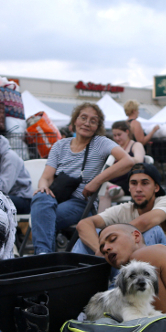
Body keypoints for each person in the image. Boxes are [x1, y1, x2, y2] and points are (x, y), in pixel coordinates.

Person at [30, 103, 135, 254]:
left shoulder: (100, 143)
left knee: (42, 218)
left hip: (80, 203)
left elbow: (128, 161)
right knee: (41, 198)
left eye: (93, 121)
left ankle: (43, 256)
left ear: (97, 126)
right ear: (75, 121)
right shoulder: (60, 145)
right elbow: (45, 178)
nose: (87, 123)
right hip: (55, 198)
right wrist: (42, 187)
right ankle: (45, 256)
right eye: (83, 118)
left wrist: (97, 181)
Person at [76, 162, 166, 255]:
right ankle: (76, 276)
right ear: (129, 187)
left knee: (152, 230)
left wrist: (111, 239)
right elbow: (84, 224)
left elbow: (146, 221)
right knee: (90, 234)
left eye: (145, 183)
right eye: (134, 183)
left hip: (164, 270)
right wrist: (99, 250)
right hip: (128, 268)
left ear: (156, 187)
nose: (138, 189)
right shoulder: (124, 209)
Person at [99, 120, 146, 211]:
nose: (116, 138)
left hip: (128, 182)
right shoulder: (116, 148)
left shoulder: (136, 145)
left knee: (105, 193)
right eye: (115, 135)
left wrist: (123, 161)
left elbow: (139, 160)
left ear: (127, 132)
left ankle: (101, 223)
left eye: (119, 135)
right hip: (114, 181)